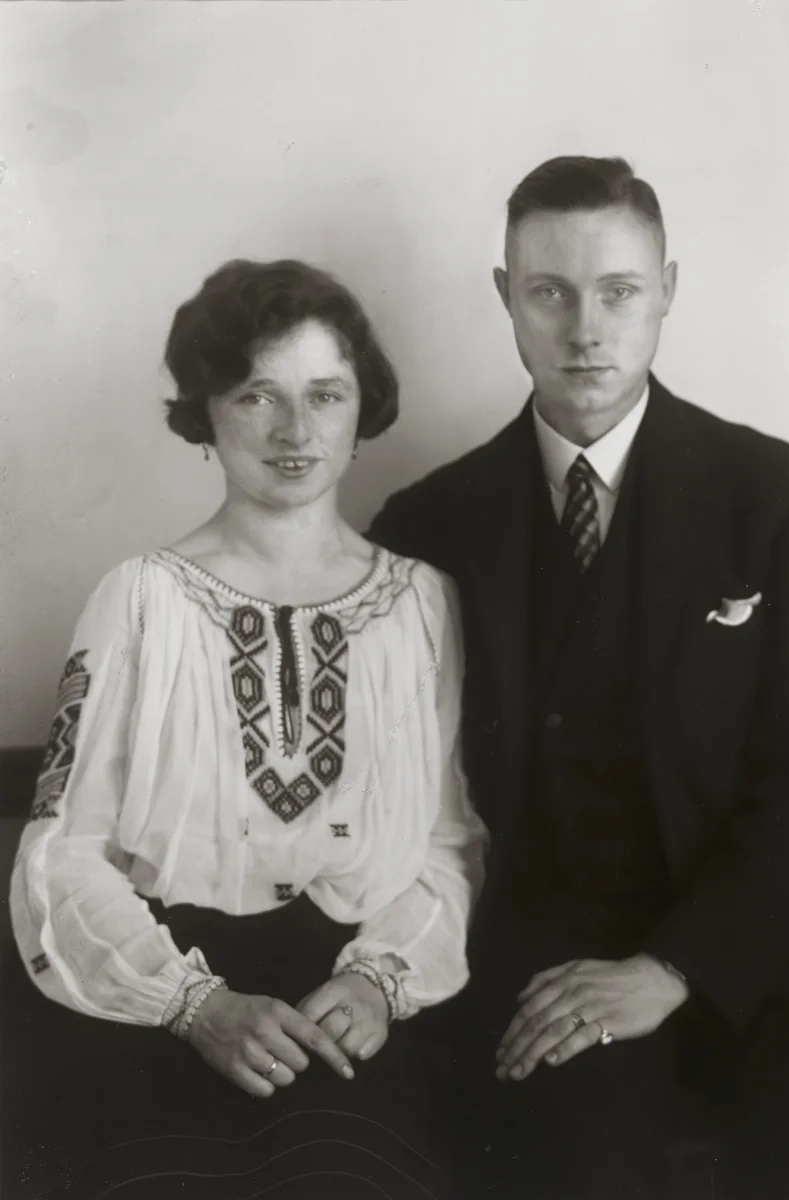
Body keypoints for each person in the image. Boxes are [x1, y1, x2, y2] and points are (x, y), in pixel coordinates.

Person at [369, 156, 789, 1199]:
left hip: (776, 924)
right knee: (576, 1152)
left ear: (666, 290)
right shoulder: (425, 527)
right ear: (504, 299)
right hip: (549, 947)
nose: (585, 329)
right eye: (549, 292)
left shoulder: (782, 498)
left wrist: (675, 967)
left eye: (616, 291)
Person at [7, 258, 487, 1200]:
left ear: (361, 411)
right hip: (163, 994)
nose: (296, 430)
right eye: (258, 394)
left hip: (346, 1002)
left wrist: (377, 984)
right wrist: (195, 1006)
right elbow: (64, 849)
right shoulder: (142, 600)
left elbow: (448, 842)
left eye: (325, 394)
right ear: (207, 412)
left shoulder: (423, 606)